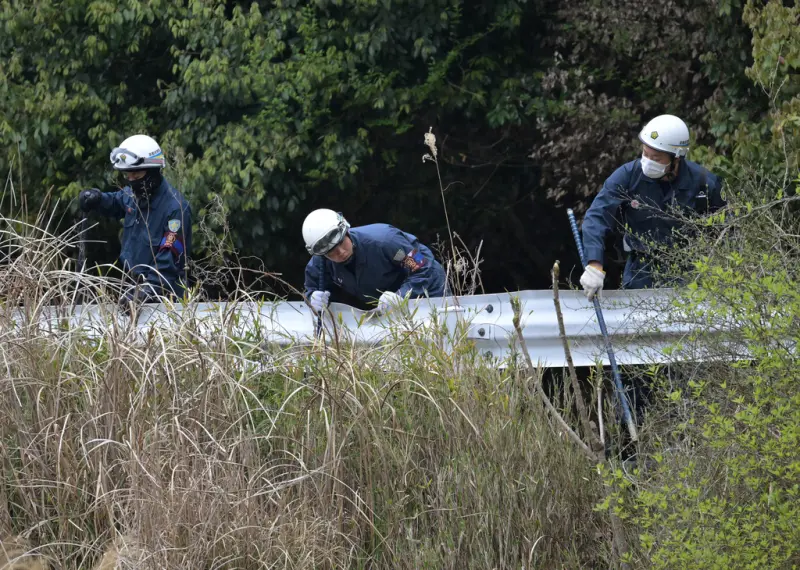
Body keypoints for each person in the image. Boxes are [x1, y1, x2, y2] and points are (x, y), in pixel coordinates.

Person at [580, 114, 725, 298]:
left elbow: (728, 230)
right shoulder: (628, 176)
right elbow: (597, 217)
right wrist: (594, 264)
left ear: (676, 158)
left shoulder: (705, 183)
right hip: (640, 273)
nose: (648, 162)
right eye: (645, 154)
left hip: (691, 275)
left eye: (656, 158)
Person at [79, 134, 192, 311]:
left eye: (136, 174)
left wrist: (145, 292)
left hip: (164, 302)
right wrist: (97, 199)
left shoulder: (175, 209)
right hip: (131, 291)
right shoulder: (134, 195)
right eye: (128, 175)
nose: (131, 180)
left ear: (152, 171)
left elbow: (168, 262)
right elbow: (116, 201)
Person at [302, 209, 447, 314]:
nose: (339, 252)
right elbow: (312, 288)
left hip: (427, 290)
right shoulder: (320, 262)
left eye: (341, 242)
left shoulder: (385, 242)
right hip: (380, 305)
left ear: (346, 231)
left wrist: (401, 295)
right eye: (331, 251)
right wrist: (312, 298)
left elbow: (423, 269)